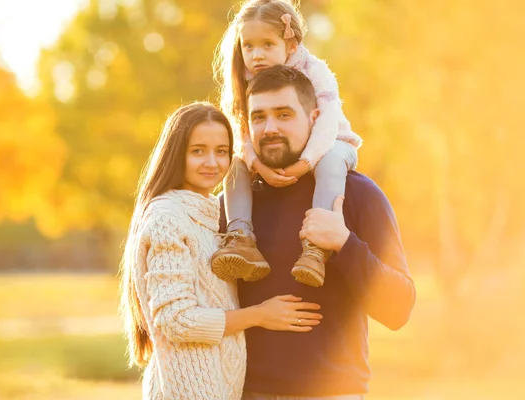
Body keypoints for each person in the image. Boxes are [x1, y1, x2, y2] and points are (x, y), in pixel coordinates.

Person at [220, 66, 416, 399]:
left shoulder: (356, 194)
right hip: (247, 392)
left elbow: (398, 309)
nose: (270, 128)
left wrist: (343, 242)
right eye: (259, 117)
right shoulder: (234, 205)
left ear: (314, 118)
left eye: (284, 114)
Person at [120, 102, 323, 400]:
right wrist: (260, 315)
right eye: (198, 150)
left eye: (222, 151)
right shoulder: (167, 217)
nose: (212, 162)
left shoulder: (211, 213)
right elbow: (177, 319)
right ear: (176, 154)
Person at [212, 0, 363, 287]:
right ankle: (241, 237)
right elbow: (242, 129)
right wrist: (256, 164)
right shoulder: (246, 79)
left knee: (330, 162)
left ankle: (316, 248)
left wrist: (305, 163)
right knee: (235, 164)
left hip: (331, 142)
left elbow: (327, 122)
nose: (256, 55)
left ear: (290, 45)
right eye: (249, 46)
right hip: (273, 153)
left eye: (267, 45)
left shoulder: (315, 70)